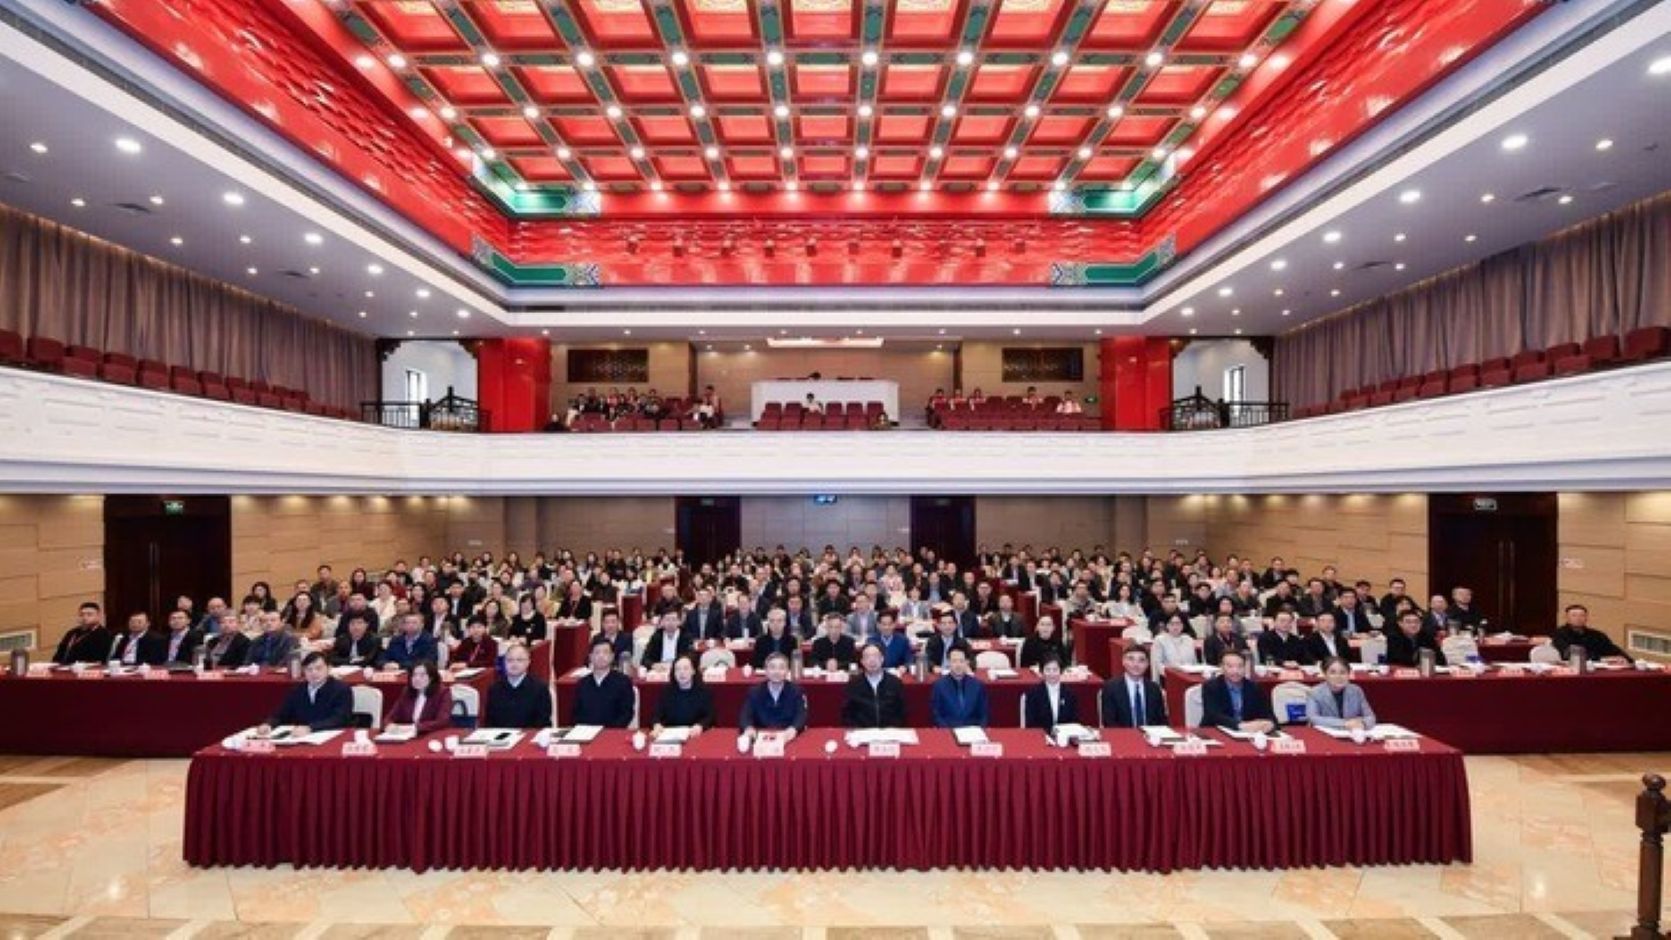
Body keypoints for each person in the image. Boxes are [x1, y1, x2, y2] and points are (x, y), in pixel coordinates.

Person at [257, 652, 352, 735]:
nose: (314, 673)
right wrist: (269, 724)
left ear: (329, 668)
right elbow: (281, 714)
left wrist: (310, 728)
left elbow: (339, 719)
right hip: (301, 737)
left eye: (318, 668)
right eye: (309, 669)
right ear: (303, 671)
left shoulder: (341, 689)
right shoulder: (297, 690)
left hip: (331, 735)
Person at [1199, 651, 1275, 732]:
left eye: (1240, 666)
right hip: (1215, 731)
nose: (1235, 671)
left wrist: (1269, 724)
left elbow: (1269, 715)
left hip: (1249, 733)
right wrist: (1239, 725)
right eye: (1230, 666)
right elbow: (1213, 716)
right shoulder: (1211, 687)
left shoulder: (1254, 688)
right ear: (1222, 668)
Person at [739, 653, 807, 738]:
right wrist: (748, 728)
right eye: (772, 667)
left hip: (788, 735)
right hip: (761, 735)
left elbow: (801, 715)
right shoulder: (755, 691)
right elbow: (745, 715)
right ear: (766, 671)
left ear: (787, 671)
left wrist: (794, 728)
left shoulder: (796, 691)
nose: (777, 672)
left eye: (781, 668)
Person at [484, 643, 553, 728]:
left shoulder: (540, 688)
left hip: (529, 734)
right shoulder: (494, 689)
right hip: (501, 735)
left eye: (519, 660)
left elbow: (543, 722)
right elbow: (489, 722)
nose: (514, 664)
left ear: (528, 662)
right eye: (510, 660)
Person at [572, 638, 635, 727]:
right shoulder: (582, 684)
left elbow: (626, 714)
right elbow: (575, 714)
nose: (601, 656)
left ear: (612, 656)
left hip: (613, 732)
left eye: (605, 652)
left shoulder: (623, 682)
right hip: (586, 732)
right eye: (597, 652)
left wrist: (609, 731)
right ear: (590, 657)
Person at [841, 643, 908, 728]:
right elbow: (847, 714)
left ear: (882, 659)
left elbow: (902, 712)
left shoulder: (895, 683)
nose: (872, 660)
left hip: (889, 732)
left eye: (875, 656)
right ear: (862, 662)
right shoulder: (853, 684)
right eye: (867, 657)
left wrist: (892, 730)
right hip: (862, 732)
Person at [1305, 656, 1377, 730]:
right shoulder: (1315, 692)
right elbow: (1313, 718)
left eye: (1343, 672)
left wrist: (1363, 724)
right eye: (1332, 673)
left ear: (1349, 674)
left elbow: (1370, 717)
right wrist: (1344, 723)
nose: (1338, 677)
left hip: (1352, 733)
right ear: (1324, 675)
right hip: (1325, 733)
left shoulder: (1356, 691)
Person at [1102, 645, 1167, 727]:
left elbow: (1161, 721)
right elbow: (1109, 722)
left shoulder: (1154, 688)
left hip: (1150, 733)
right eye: (1131, 659)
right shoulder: (1111, 688)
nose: (1136, 664)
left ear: (1147, 664)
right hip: (1122, 733)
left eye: (1141, 660)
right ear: (1123, 662)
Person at [386, 660, 455, 735]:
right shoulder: (407, 692)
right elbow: (390, 717)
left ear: (431, 678)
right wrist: (389, 725)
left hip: (432, 734)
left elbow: (442, 721)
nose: (417, 679)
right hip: (408, 735)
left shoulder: (443, 693)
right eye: (414, 675)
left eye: (422, 675)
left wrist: (416, 727)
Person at [652, 654, 714, 733]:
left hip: (694, 734)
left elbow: (710, 716)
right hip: (671, 734)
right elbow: (656, 715)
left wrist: (700, 726)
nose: (682, 673)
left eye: (686, 669)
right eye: (678, 669)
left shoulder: (704, 691)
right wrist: (657, 725)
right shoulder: (666, 691)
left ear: (693, 671)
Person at [1551, 603, 1632, 663]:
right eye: (1574, 615)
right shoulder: (1559, 634)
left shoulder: (1596, 635)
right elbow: (1569, 654)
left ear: (1586, 618)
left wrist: (1627, 660)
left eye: (1582, 615)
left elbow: (1612, 649)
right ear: (1566, 618)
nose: (1578, 618)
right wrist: (1602, 659)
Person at [930, 647, 989, 727]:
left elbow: (984, 715)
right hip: (948, 730)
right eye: (954, 661)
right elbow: (936, 715)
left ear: (967, 662)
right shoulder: (939, 686)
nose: (958, 665)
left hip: (973, 730)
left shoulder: (978, 685)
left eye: (961, 661)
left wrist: (978, 729)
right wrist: (947, 730)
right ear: (948, 663)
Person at [1021, 655, 1079, 731]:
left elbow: (1074, 722)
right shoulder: (1033, 694)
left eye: (1055, 670)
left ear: (1061, 671)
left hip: (1065, 735)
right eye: (1047, 670)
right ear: (1042, 672)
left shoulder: (1069, 694)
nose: (1052, 674)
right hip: (1041, 735)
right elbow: (1031, 724)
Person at [1150, 612, 1198, 677]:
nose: (1175, 627)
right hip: (1169, 676)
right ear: (1167, 625)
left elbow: (1194, 663)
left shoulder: (1189, 639)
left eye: (1178, 624)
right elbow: (1157, 665)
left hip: (1188, 676)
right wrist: (1172, 673)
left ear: (1182, 626)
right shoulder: (1160, 640)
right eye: (1172, 624)